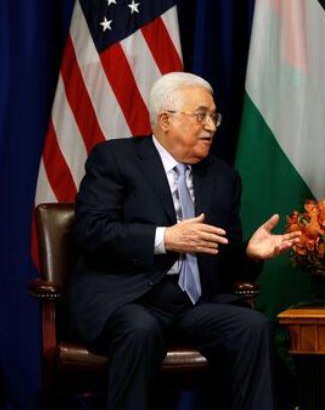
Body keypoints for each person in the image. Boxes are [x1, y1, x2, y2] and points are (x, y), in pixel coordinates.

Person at [68, 72, 300, 410]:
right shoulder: (115, 159)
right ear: (165, 120)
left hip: (193, 303)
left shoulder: (224, 177)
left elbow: (225, 262)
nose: (211, 126)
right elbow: (91, 231)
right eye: (201, 115)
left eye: (214, 117)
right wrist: (165, 238)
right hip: (129, 297)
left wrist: (250, 254)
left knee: (253, 326)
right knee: (141, 329)